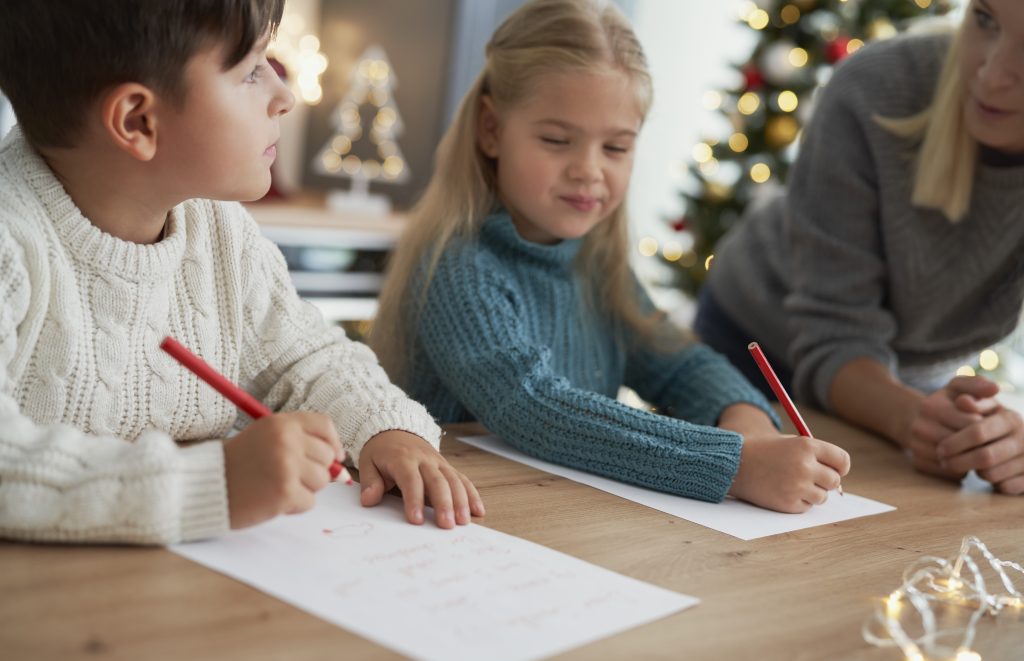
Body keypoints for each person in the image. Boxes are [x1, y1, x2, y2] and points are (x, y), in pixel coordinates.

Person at [0, 0, 484, 545]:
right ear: (138, 120)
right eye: (251, 71)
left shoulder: (219, 229)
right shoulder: (11, 241)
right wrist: (211, 485)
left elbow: (306, 358)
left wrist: (384, 426)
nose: (284, 95)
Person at [371, 0, 850, 513]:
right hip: (469, 532)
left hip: (566, 523)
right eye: (557, 140)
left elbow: (681, 365)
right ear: (491, 130)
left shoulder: (597, 265)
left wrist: (746, 423)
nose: (588, 170)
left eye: (616, 148)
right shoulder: (456, 265)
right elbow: (531, 406)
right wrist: (731, 464)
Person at [695, 0, 1024, 495]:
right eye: (984, 19)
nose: (993, 75)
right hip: (754, 341)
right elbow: (836, 334)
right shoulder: (877, 86)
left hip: (907, 383)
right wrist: (913, 416)